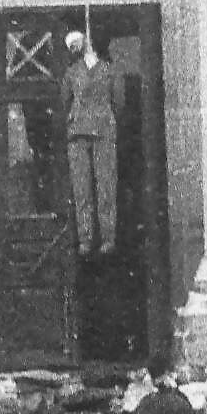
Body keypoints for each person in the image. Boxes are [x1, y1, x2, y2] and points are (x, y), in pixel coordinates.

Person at [62, 29, 124, 257]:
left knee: (106, 185)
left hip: (104, 132)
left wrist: (105, 117)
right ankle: (85, 238)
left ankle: (108, 237)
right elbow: (64, 101)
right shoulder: (71, 73)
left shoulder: (109, 70)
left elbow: (119, 101)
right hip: (77, 134)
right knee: (82, 189)